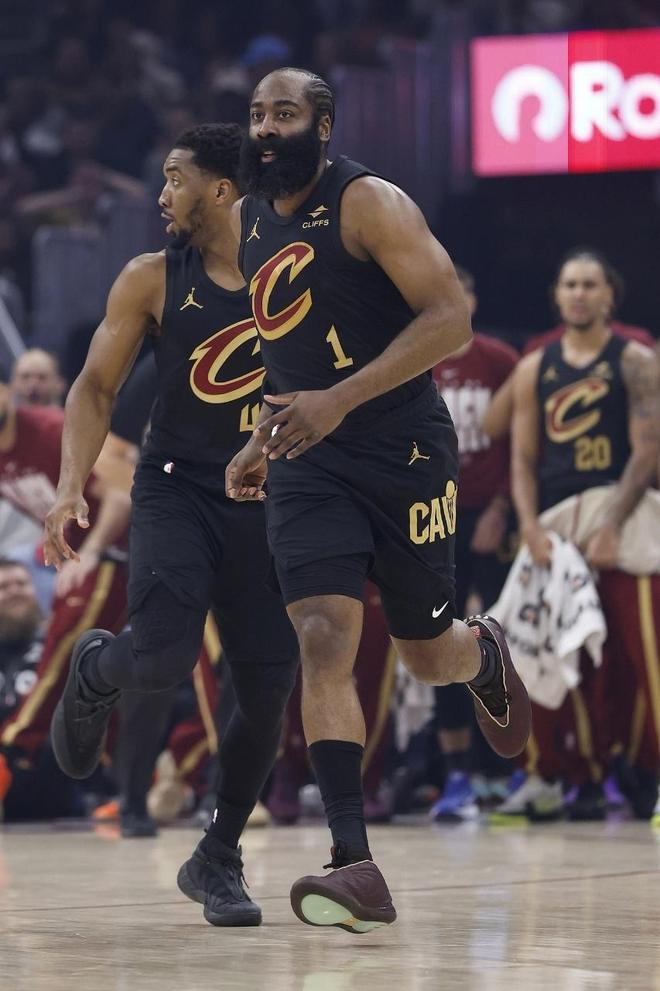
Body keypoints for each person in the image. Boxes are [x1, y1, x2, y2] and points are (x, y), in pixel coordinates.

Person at [227, 67, 531, 933]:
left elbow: (451, 320)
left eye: (285, 113)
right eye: (257, 114)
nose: (266, 128)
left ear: (322, 126)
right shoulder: (249, 220)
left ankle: (481, 651)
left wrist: (340, 399)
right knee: (323, 636)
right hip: (308, 457)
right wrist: (261, 436)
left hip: (403, 450)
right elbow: (285, 350)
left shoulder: (370, 203)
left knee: (427, 655)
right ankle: (353, 860)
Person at [45, 123, 299, 927]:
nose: (160, 196)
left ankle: (218, 856)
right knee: (159, 658)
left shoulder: (297, 271)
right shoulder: (150, 277)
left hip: (270, 499)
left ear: (221, 190)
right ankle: (97, 668)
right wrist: (69, 486)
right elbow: (92, 388)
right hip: (176, 487)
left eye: (174, 179)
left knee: (267, 686)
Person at [509, 247, 660, 819]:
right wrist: (527, 525)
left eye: (589, 284)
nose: (578, 293)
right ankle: (572, 775)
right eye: (570, 284)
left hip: (623, 513)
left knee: (642, 652)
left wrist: (613, 525)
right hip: (556, 525)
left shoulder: (635, 359)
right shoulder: (534, 367)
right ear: (557, 295)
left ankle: (645, 768)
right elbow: (522, 459)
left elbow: (647, 451)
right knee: (554, 655)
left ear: (609, 296)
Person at [429, 267, 519, 821]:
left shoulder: (501, 359)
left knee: (506, 638)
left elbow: (523, 441)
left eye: (461, 289)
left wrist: (502, 509)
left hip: (491, 515)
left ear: (473, 299)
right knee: (440, 641)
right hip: (435, 518)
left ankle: (509, 766)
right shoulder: (414, 359)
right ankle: (456, 774)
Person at [0, 558, 79, 820]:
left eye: (21, 584)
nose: (15, 591)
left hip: (44, 768)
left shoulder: (56, 646)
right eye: (4, 587)